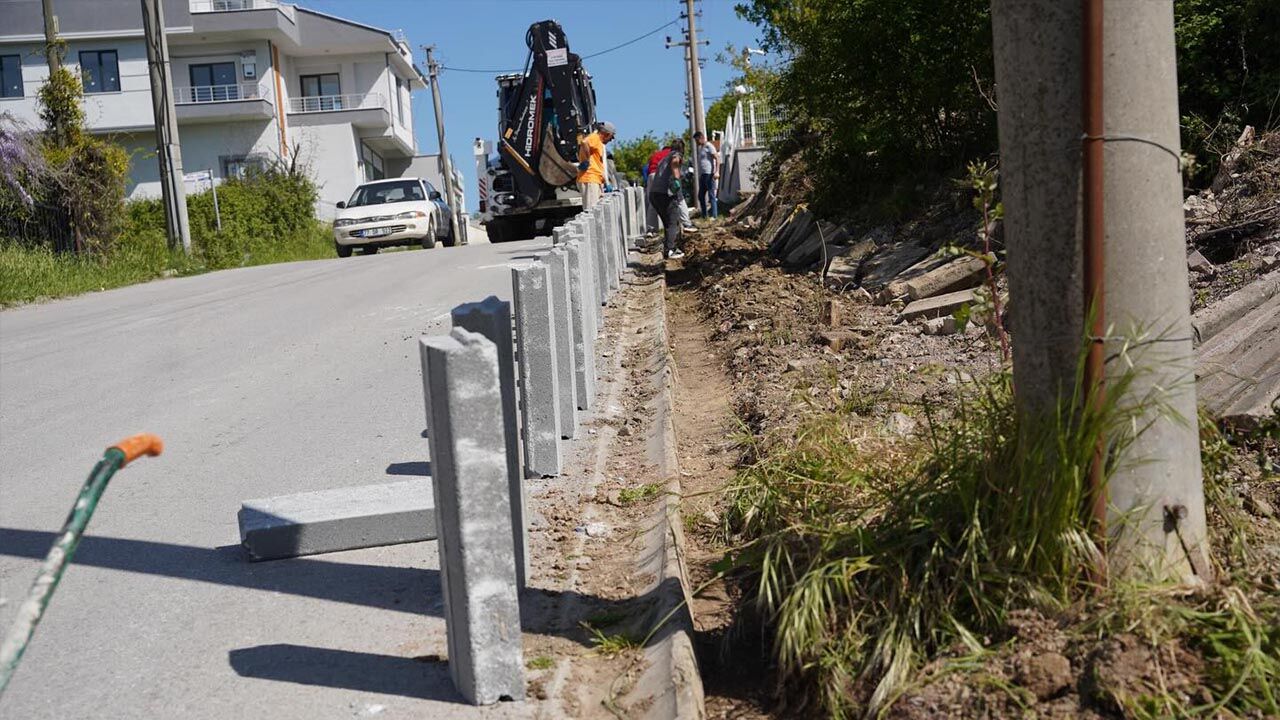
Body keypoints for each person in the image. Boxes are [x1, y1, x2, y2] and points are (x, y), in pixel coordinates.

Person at [647, 143, 687, 260]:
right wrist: (676, 179)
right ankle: (671, 250)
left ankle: (667, 248)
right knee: (672, 221)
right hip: (664, 194)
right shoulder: (675, 154)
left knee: (667, 223)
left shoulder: (663, 159)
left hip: (654, 195)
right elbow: (675, 161)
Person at [576, 120, 615, 210]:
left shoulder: (599, 142)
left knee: (597, 211)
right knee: (591, 211)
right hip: (590, 178)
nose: (610, 140)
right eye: (611, 137)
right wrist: (586, 161)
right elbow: (584, 142)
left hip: (595, 179)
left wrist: (605, 181)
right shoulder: (595, 137)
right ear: (607, 134)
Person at [694, 131, 719, 219]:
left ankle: (714, 215)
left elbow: (717, 158)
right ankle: (704, 215)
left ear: (701, 138)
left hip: (709, 174)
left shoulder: (709, 146)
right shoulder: (701, 148)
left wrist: (717, 172)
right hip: (703, 175)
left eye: (697, 140)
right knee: (701, 196)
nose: (696, 143)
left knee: (711, 194)